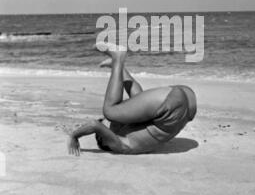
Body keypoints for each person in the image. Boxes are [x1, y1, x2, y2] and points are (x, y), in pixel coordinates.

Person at [67, 43, 197, 155]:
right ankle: (117, 57)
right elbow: (95, 125)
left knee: (134, 102)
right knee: (110, 112)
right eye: (105, 123)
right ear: (104, 139)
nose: (106, 122)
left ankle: (118, 66)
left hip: (187, 104)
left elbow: (139, 96)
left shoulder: (132, 133)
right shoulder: (119, 146)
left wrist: (119, 69)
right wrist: (74, 135)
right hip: (173, 105)